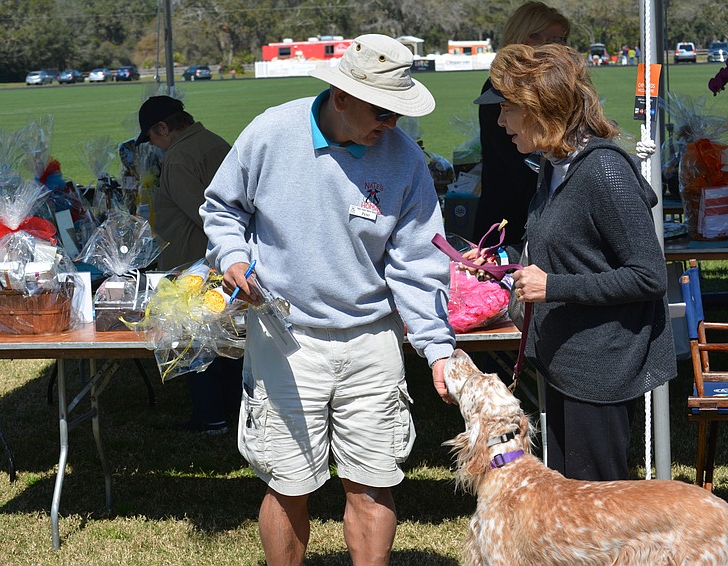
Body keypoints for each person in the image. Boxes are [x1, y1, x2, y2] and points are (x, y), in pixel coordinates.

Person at [200, 34, 455, 565]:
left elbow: (418, 263)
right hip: (284, 337)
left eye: (397, 112)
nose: (391, 124)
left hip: (372, 340)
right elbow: (222, 210)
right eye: (382, 111)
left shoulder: (406, 161)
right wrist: (233, 260)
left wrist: (437, 349)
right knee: (288, 483)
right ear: (342, 96)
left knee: (374, 482)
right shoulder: (271, 131)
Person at [489, 43, 677, 481]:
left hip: (600, 371)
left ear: (540, 105)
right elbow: (565, 252)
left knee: (600, 510)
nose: (500, 121)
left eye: (507, 108)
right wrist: (503, 262)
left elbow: (649, 276)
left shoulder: (602, 172)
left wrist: (553, 287)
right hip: (563, 361)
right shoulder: (553, 166)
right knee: (572, 507)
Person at [135, 95, 243, 435]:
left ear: (164, 128)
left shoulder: (179, 157)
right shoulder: (213, 142)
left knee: (196, 342)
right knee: (227, 340)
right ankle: (232, 410)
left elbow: (205, 214)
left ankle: (210, 417)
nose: (152, 144)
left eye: (152, 135)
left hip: (194, 265)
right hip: (220, 262)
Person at [472, 1, 570, 247]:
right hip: (507, 224)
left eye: (558, 39)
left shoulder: (561, 90)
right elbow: (521, 168)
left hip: (547, 222)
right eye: (536, 36)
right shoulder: (498, 89)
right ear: (518, 38)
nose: (548, 46)